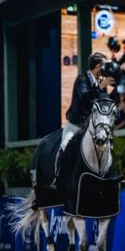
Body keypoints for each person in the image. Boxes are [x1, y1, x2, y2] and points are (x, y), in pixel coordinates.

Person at [51, 52, 115, 187]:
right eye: (104, 66)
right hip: (76, 125)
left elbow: (104, 102)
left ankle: (110, 175)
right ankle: (57, 177)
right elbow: (85, 98)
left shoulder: (100, 81)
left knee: (107, 144)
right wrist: (101, 87)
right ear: (98, 66)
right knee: (64, 146)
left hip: (91, 126)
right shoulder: (81, 80)